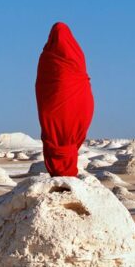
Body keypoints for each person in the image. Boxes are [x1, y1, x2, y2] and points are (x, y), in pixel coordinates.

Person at [35, 22, 94, 177]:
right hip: (78, 102)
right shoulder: (77, 53)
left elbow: (42, 84)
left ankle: (60, 171)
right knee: (65, 135)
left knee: (56, 134)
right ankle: (65, 170)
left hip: (57, 103)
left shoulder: (46, 56)